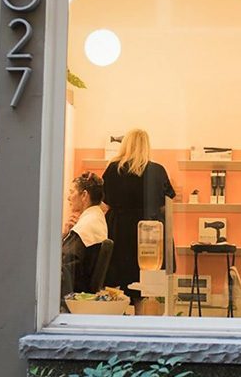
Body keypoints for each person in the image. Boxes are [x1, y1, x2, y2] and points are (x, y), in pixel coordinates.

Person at [102, 129, 175, 305]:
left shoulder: (113, 169)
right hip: (149, 233)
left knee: (120, 280)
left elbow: (106, 201)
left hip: (119, 230)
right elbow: (167, 202)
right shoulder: (157, 171)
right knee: (147, 282)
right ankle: (144, 316)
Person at [59, 171, 109, 306]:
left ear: (84, 195)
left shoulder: (85, 228)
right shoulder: (94, 221)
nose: (69, 198)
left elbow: (63, 271)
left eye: (72, 192)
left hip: (72, 296)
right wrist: (65, 235)